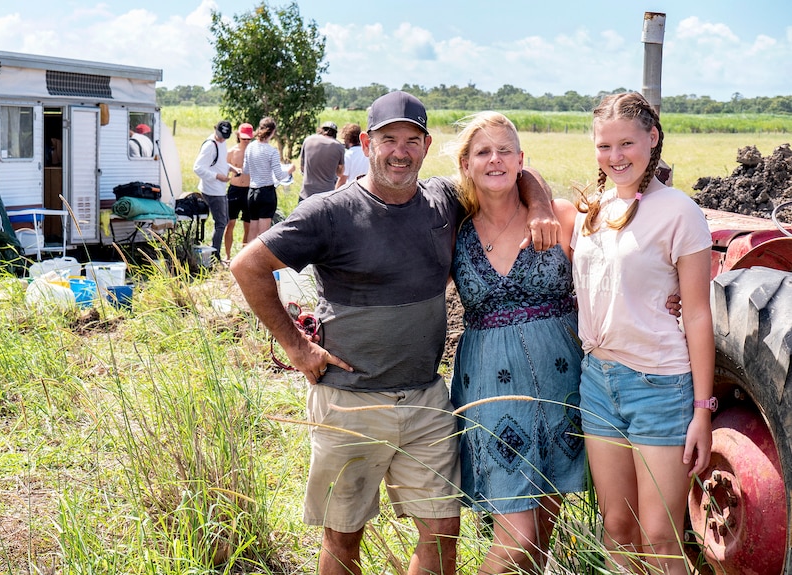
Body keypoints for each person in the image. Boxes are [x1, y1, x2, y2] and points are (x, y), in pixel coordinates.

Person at [230, 91, 559, 575]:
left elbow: (509, 171)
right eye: (388, 139)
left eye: (411, 140)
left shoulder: (445, 201)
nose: (400, 151)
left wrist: (541, 205)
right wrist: (297, 347)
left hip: (427, 401)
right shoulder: (329, 211)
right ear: (366, 143)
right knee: (343, 538)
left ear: (426, 147)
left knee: (443, 533)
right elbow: (247, 265)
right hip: (350, 403)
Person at [571, 92, 714, 574]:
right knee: (617, 526)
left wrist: (701, 410)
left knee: (661, 535)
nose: (616, 157)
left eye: (627, 143)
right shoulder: (591, 210)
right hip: (598, 381)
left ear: (652, 139)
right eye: (604, 146)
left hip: (660, 384)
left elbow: (696, 314)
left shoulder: (679, 212)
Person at [447, 112, 584, 574]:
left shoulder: (559, 216)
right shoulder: (454, 230)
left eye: (505, 150)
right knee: (516, 537)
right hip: (491, 388)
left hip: (562, 383)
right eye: (483, 152)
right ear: (466, 164)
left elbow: (612, 273)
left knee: (543, 527)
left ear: (522, 160)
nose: (496, 160)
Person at [243, 117, 295, 240]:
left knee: (252, 230)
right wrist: (290, 170)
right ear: (272, 132)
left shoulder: (250, 147)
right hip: (266, 192)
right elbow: (279, 175)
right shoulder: (271, 151)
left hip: (252, 191)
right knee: (263, 234)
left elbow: (245, 170)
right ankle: (260, 259)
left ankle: (248, 258)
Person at [193, 120, 236, 260]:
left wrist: (230, 168)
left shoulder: (221, 143)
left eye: (225, 136)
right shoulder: (210, 146)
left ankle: (213, 251)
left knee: (224, 220)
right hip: (213, 190)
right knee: (222, 223)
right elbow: (197, 168)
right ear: (214, 129)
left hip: (219, 189)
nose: (222, 138)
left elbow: (219, 162)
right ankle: (215, 256)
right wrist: (217, 176)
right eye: (220, 135)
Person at [224, 122, 254, 262]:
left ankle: (243, 256)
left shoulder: (254, 151)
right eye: (244, 138)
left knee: (248, 225)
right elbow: (223, 167)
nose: (246, 141)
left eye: (249, 138)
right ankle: (228, 256)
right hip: (234, 190)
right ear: (238, 136)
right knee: (230, 223)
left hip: (249, 190)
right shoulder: (232, 152)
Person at [298, 121, 344, 200]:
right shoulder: (339, 146)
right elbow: (340, 173)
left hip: (306, 193)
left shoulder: (308, 140)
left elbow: (302, 167)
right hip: (326, 196)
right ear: (335, 134)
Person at [336, 123, 369, 188]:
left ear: (347, 138)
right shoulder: (367, 152)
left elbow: (343, 179)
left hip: (353, 189)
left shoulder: (349, 154)